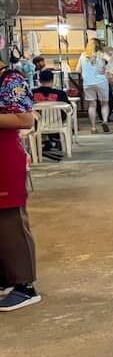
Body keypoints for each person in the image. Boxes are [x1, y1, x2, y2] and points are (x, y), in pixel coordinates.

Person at [0, 62, 40, 310]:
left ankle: (25, 285)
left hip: (5, 158)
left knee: (10, 221)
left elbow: (26, 119)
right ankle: (6, 277)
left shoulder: (10, 80)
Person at [77, 39, 111, 133]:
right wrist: (106, 68)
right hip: (101, 81)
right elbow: (112, 62)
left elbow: (78, 70)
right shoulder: (102, 54)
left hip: (88, 83)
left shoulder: (83, 55)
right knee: (104, 103)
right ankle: (104, 121)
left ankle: (93, 127)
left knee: (92, 105)